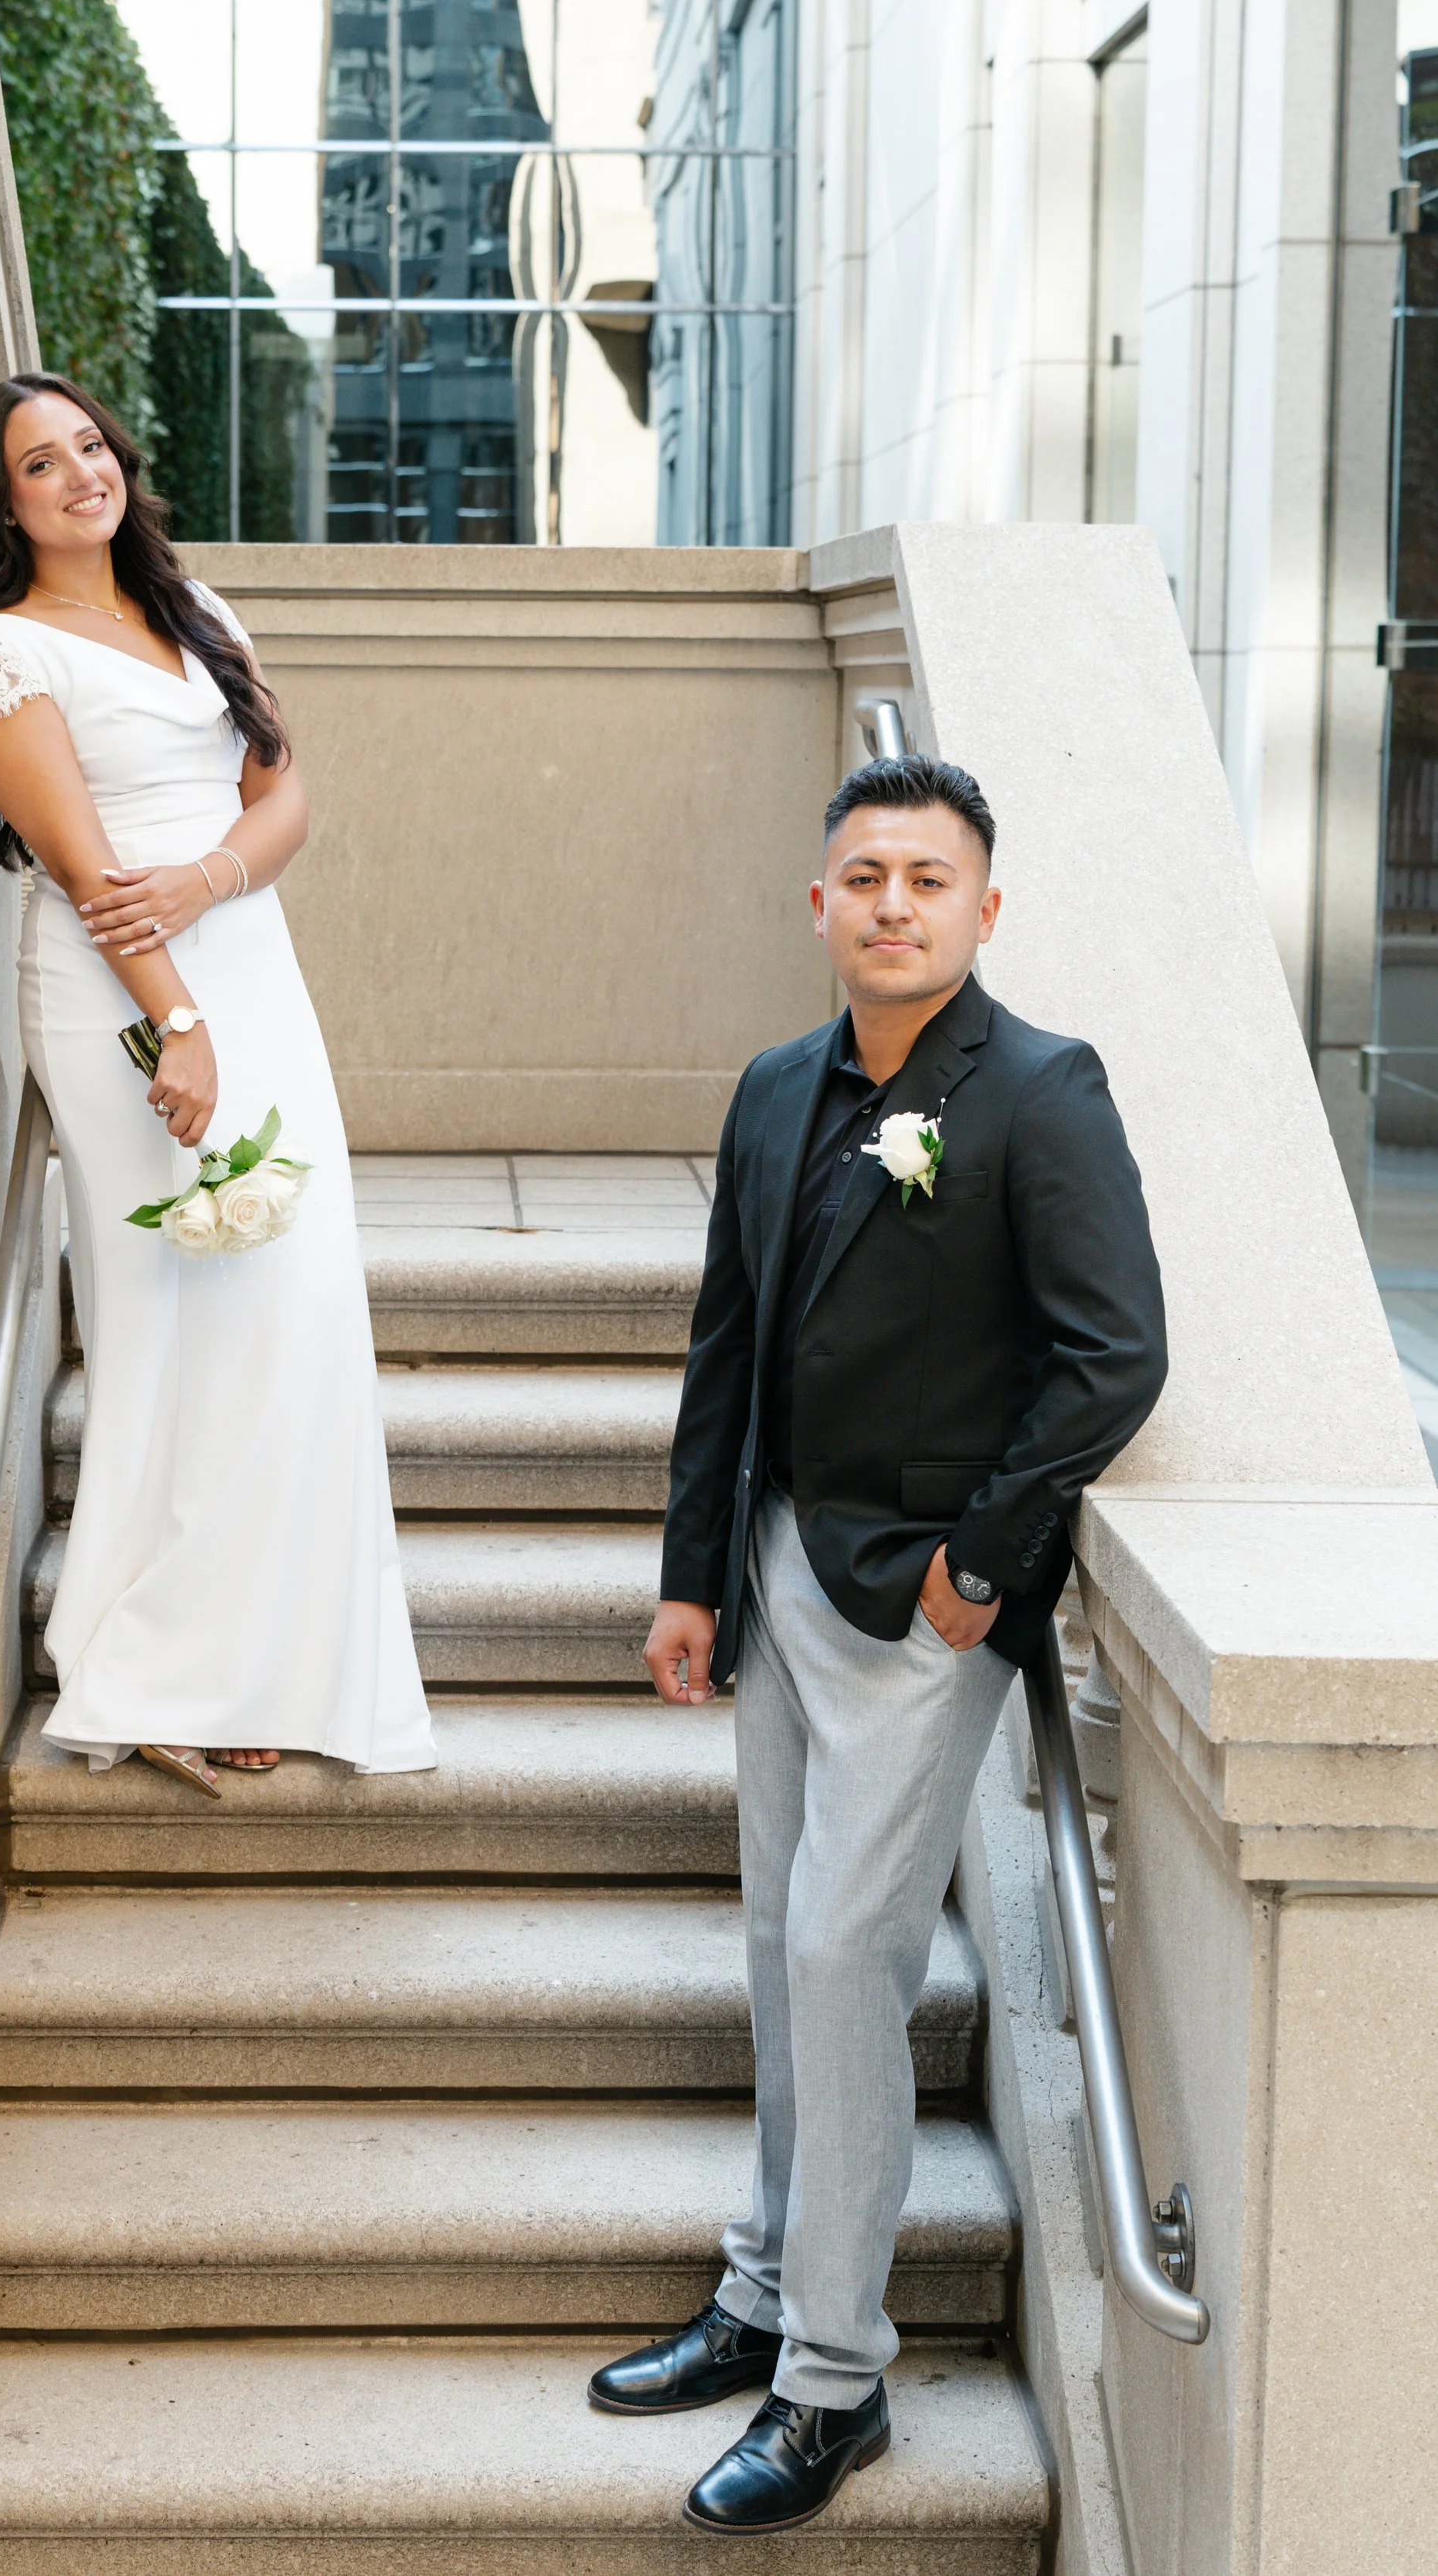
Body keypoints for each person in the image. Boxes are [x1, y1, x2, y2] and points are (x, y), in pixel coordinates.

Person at [588, 754, 1166, 2532]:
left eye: (928, 878)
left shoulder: (1040, 1091)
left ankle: (834, 2386)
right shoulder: (775, 1088)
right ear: (817, 905)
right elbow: (725, 1347)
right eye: (864, 876)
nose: (893, 903)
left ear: (981, 910)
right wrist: (694, 1574)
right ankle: (761, 2292)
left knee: (846, 1961)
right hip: (772, 1572)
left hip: (921, 1605)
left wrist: (976, 1574)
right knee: (777, 1946)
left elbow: (1110, 1354)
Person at [0, 372, 435, 1794]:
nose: (77, 473)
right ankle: (160, 1656)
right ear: (5, 504)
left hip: (251, 967)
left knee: (291, 1303)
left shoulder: (194, 607)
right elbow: (81, 866)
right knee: (178, 1306)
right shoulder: (0, 653)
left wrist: (214, 884)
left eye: (88, 443)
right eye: (40, 463)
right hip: (122, 994)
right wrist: (179, 1020)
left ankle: (265, 1643)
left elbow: (282, 792)